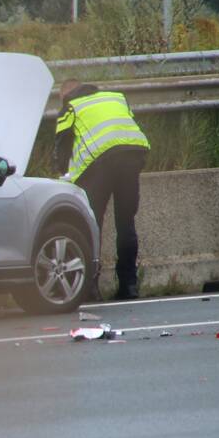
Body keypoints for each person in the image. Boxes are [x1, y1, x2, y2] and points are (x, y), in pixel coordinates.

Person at [54, 79, 150, 300]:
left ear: (64, 96)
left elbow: (62, 150)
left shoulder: (70, 107)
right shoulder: (115, 98)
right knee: (126, 223)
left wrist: (65, 174)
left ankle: (90, 287)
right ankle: (129, 285)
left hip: (101, 163)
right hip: (133, 155)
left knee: (92, 224)